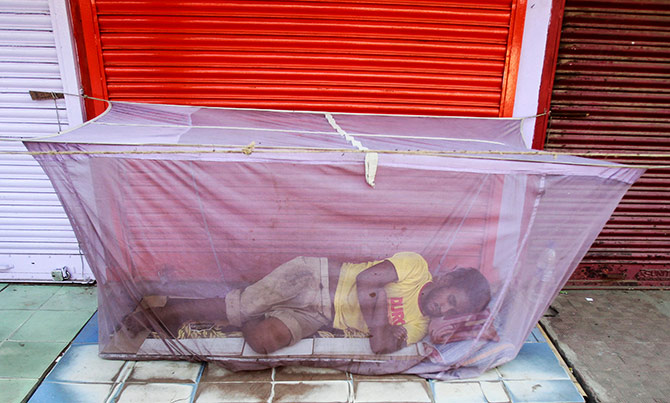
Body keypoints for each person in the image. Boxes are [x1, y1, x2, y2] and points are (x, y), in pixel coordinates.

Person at [127, 252, 491, 355]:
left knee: (263, 341)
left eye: (454, 313)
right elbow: (366, 281)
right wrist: (381, 322)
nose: (445, 311)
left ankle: (236, 309)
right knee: (240, 308)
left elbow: (380, 347)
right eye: (451, 300)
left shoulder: (420, 326)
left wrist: (377, 311)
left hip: (320, 315)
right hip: (315, 277)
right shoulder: (416, 266)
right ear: (444, 281)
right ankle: (159, 314)